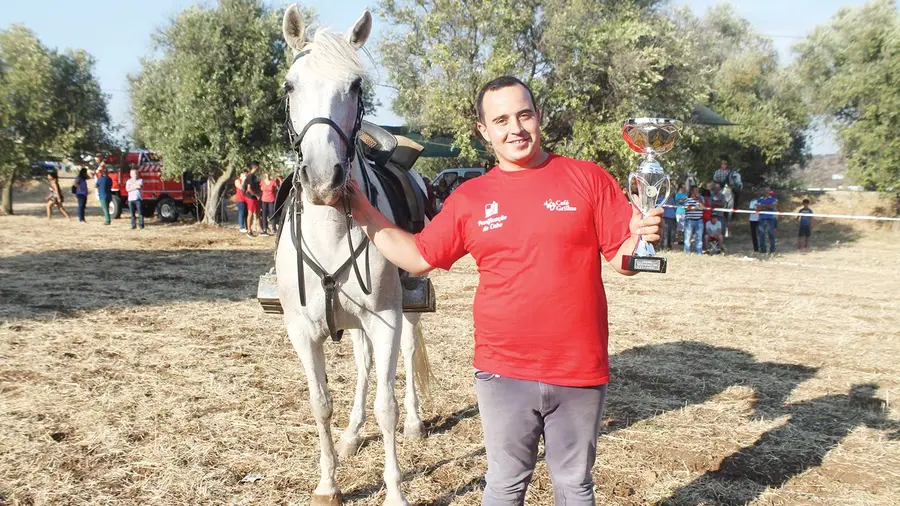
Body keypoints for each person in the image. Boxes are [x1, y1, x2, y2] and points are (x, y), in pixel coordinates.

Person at [342, 75, 662, 506]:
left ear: (539, 117)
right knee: (505, 486)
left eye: (524, 114)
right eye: (501, 120)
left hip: (579, 369)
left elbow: (622, 261)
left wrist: (640, 238)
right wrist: (364, 212)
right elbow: (417, 257)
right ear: (484, 130)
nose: (515, 128)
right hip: (503, 371)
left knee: (574, 485)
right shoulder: (471, 197)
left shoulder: (588, 179)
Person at [241, 161, 263, 237]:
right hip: (250, 197)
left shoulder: (254, 176)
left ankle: (260, 230)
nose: (259, 168)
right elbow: (249, 189)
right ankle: (249, 231)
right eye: (259, 166)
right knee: (250, 213)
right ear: (256, 167)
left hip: (255, 197)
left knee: (257, 213)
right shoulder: (250, 176)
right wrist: (256, 195)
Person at [682, 186, 705, 255]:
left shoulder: (701, 198)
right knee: (688, 237)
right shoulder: (687, 199)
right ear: (692, 191)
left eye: (698, 190)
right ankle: (687, 252)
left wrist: (698, 200)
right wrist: (696, 207)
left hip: (699, 220)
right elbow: (687, 208)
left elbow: (702, 207)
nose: (697, 192)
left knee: (699, 238)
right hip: (689, 221)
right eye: (696, 190)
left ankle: (699, 252)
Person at [756, 189, 778, 254]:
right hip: (761, 218)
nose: (766, 192)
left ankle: (772, 249)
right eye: (765, 191)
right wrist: (767, 206)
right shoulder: (760, 199)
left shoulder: (773, 199)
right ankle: (763, 249)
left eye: (767, 191)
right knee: (761, 235)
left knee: (771, 234)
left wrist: (763, 206)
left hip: (770, 218)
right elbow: (758, 208)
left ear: (769, 192)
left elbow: (772, 206)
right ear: (763, 192)